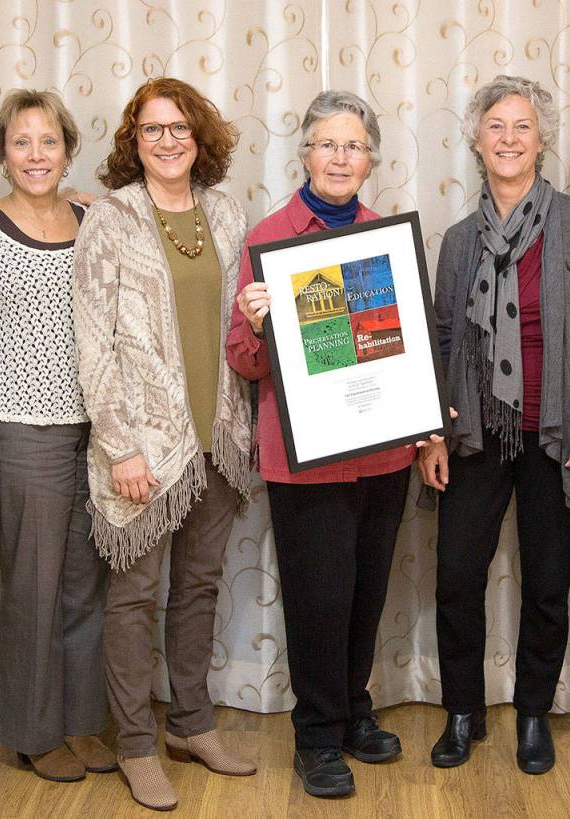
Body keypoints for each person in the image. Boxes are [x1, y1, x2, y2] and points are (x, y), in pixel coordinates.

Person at [418, 75, 570, 775]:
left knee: (546, 582)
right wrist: (436, 435)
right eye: (496, 126)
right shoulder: (456, 240)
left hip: (555, 436)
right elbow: (445, 339)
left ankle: (533, 711)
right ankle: (463, 713)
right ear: (477, 142)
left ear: (541, 141)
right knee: (455, 579)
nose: (509, 138)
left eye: (522, 127)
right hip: (477, 435)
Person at [72, 77, 255, 812]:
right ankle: (136, 745)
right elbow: (93, 344)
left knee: (200, 585)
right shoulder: (112, 218)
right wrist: (120, 446)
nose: (168, 140)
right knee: (136, 592)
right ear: (134, 142)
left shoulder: (228, 213)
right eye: (152, 130)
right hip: (146, 444)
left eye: (179, 127)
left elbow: (243, 324)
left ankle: (192, 724)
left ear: (199, 136)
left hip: (220, 435)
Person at [228, 90, 415, 800]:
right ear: (305, 154)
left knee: (367, 593)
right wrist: (252, 320)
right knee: (318, 599)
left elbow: (401, 349)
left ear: (371, 158)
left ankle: (352, 711)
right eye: (327, 144)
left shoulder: (386, 236)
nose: (340, 157)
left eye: (354, 145)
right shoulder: (270, 237)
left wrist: (424, 415)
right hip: (305, 460)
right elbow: (244, 362)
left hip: (384, 452)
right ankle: (315, 735)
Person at [0, 89, 114, 783]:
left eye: (48, 141)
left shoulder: (92, 218)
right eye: (22, 142)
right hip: (22, 431)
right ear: (2, 153)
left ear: (68, 149)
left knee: (87, 586)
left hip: (96, 429)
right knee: (34, 584)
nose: (36, 154)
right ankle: (30, 731)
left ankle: (81, 722)